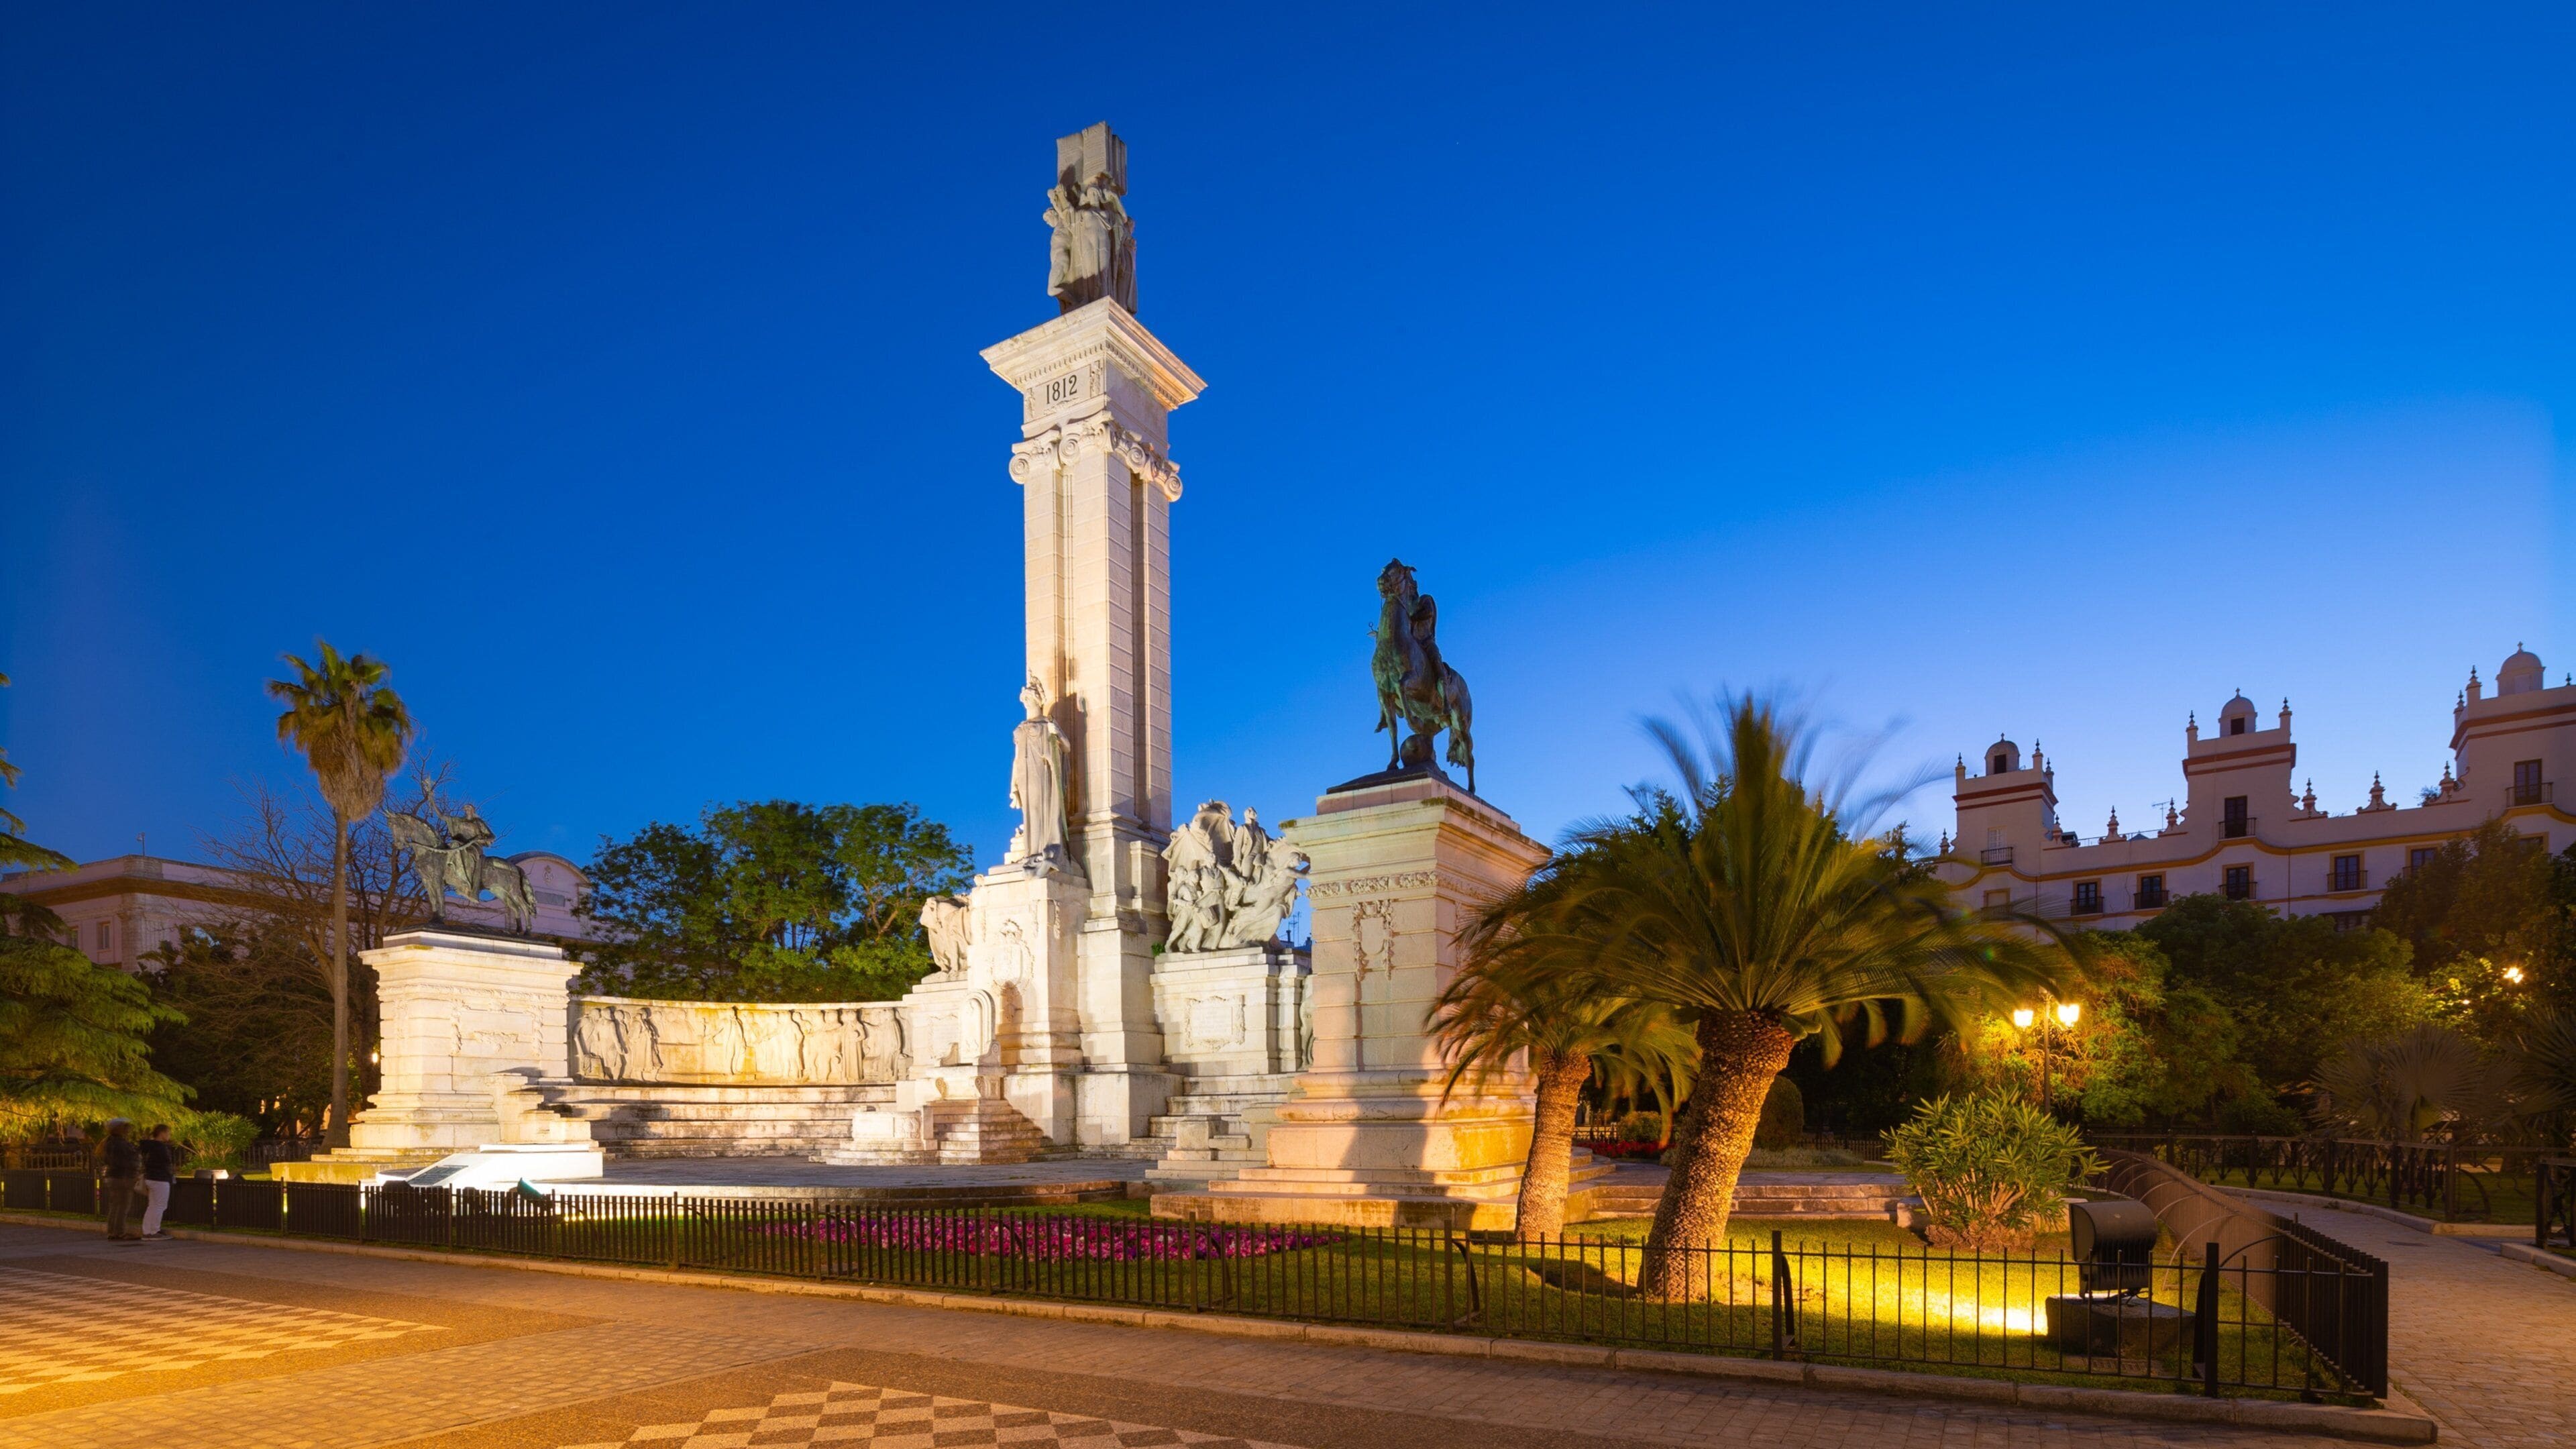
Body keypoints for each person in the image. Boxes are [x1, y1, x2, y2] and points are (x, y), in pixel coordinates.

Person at [99, 1120, 142, 1242]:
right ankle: (120, 1232)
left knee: (115, 1205)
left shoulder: (109, 1142)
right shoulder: (121, 1144)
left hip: (113, 1177)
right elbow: (128, 1161)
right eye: (126, 1128)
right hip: (122, 1178)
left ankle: (112, 1231)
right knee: (123, 1206)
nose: (129, 1131)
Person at [138, 1124, 177, 1240]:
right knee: (160, 1205)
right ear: (162, 1133)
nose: (169, 1135)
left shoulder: (149, 1147)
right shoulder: (160, 1147)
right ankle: (154, 1231)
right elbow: (165, 1164)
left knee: (153, 1205)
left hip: (150, 1177)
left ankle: (147, 1231)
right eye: (168, 1133)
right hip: (160, 1179)